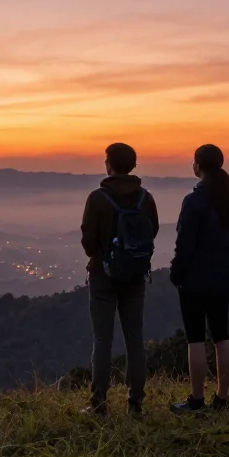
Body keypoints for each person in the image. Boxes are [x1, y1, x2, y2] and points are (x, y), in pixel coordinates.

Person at [80, 142, 160, 416]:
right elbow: (153, 231)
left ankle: (99, 403)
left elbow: (88, 239)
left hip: (103, 276)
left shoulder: (98, 197)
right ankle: (136, 402)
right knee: (134, 339)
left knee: (102, 340)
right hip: (135, 277)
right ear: (133, 166)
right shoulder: (145, 198)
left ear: (109, 164)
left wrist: (103, 257)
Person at [169, 144, 229, 413]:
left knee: (196, 338)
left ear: (198, 165)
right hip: (223, 278)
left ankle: (197, 400)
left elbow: (184, 245)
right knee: (221, 336)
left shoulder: (194, 201)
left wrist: (177, 274)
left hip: (194, 280)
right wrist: (224, 265)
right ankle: (222, 399)